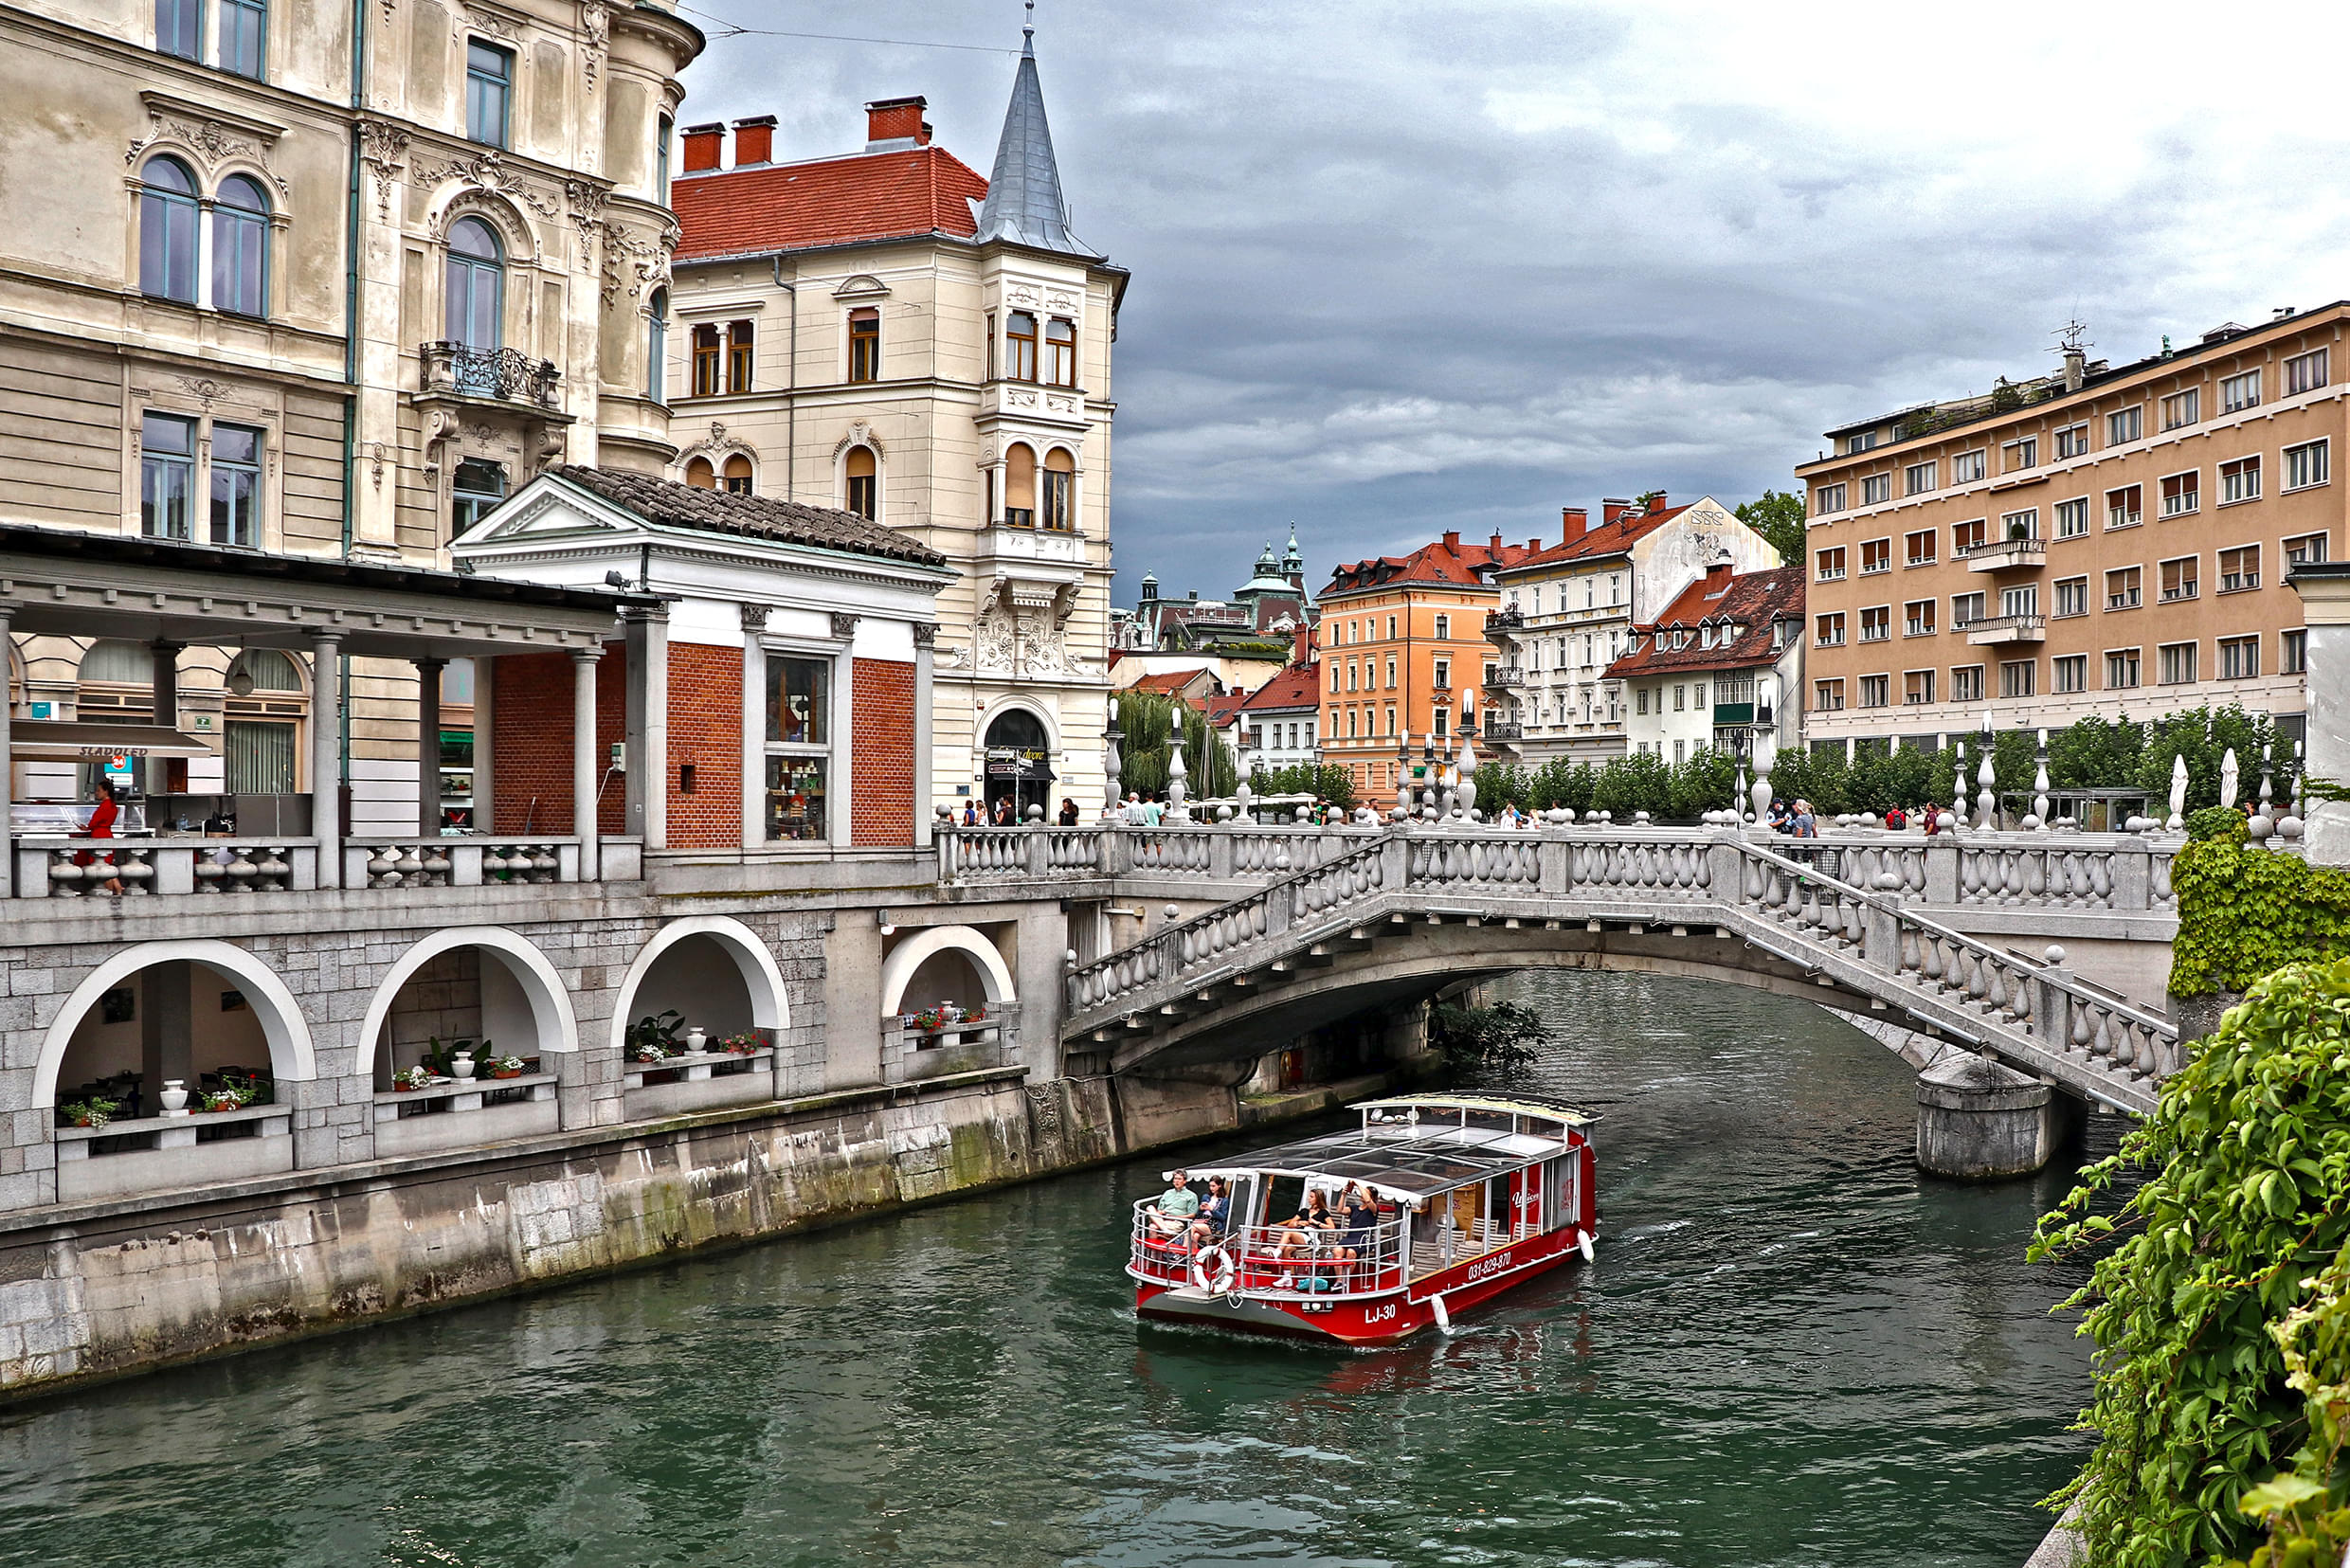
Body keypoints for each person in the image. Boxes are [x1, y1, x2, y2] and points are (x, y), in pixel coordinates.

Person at [79, 776, 126, 895]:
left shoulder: (105, 805)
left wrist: (87, 827)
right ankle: (117, 889)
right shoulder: (113, 805)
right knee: (106, 865)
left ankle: (109, 891)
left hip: (99, 835)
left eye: (99, 790)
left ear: (106, 791)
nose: (97, 793)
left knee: (101, 866)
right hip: (107, 833)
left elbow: (95, 821)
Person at [1149, 1169, 1201, 1235]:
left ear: (1184, 1181)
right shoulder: (1167, 1193)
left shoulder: (1191, 1195)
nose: (1177, 1181)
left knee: (1152, 1227)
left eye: (1179, 1179)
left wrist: (1176, 1217)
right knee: (1150, 1207)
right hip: (1163, 1219)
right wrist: (1161, 1212)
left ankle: (1164, 1231)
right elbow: (1159, 1210)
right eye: (1175, 1178)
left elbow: (1192, 1215)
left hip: (1177, 1221)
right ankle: (1165, 1230)